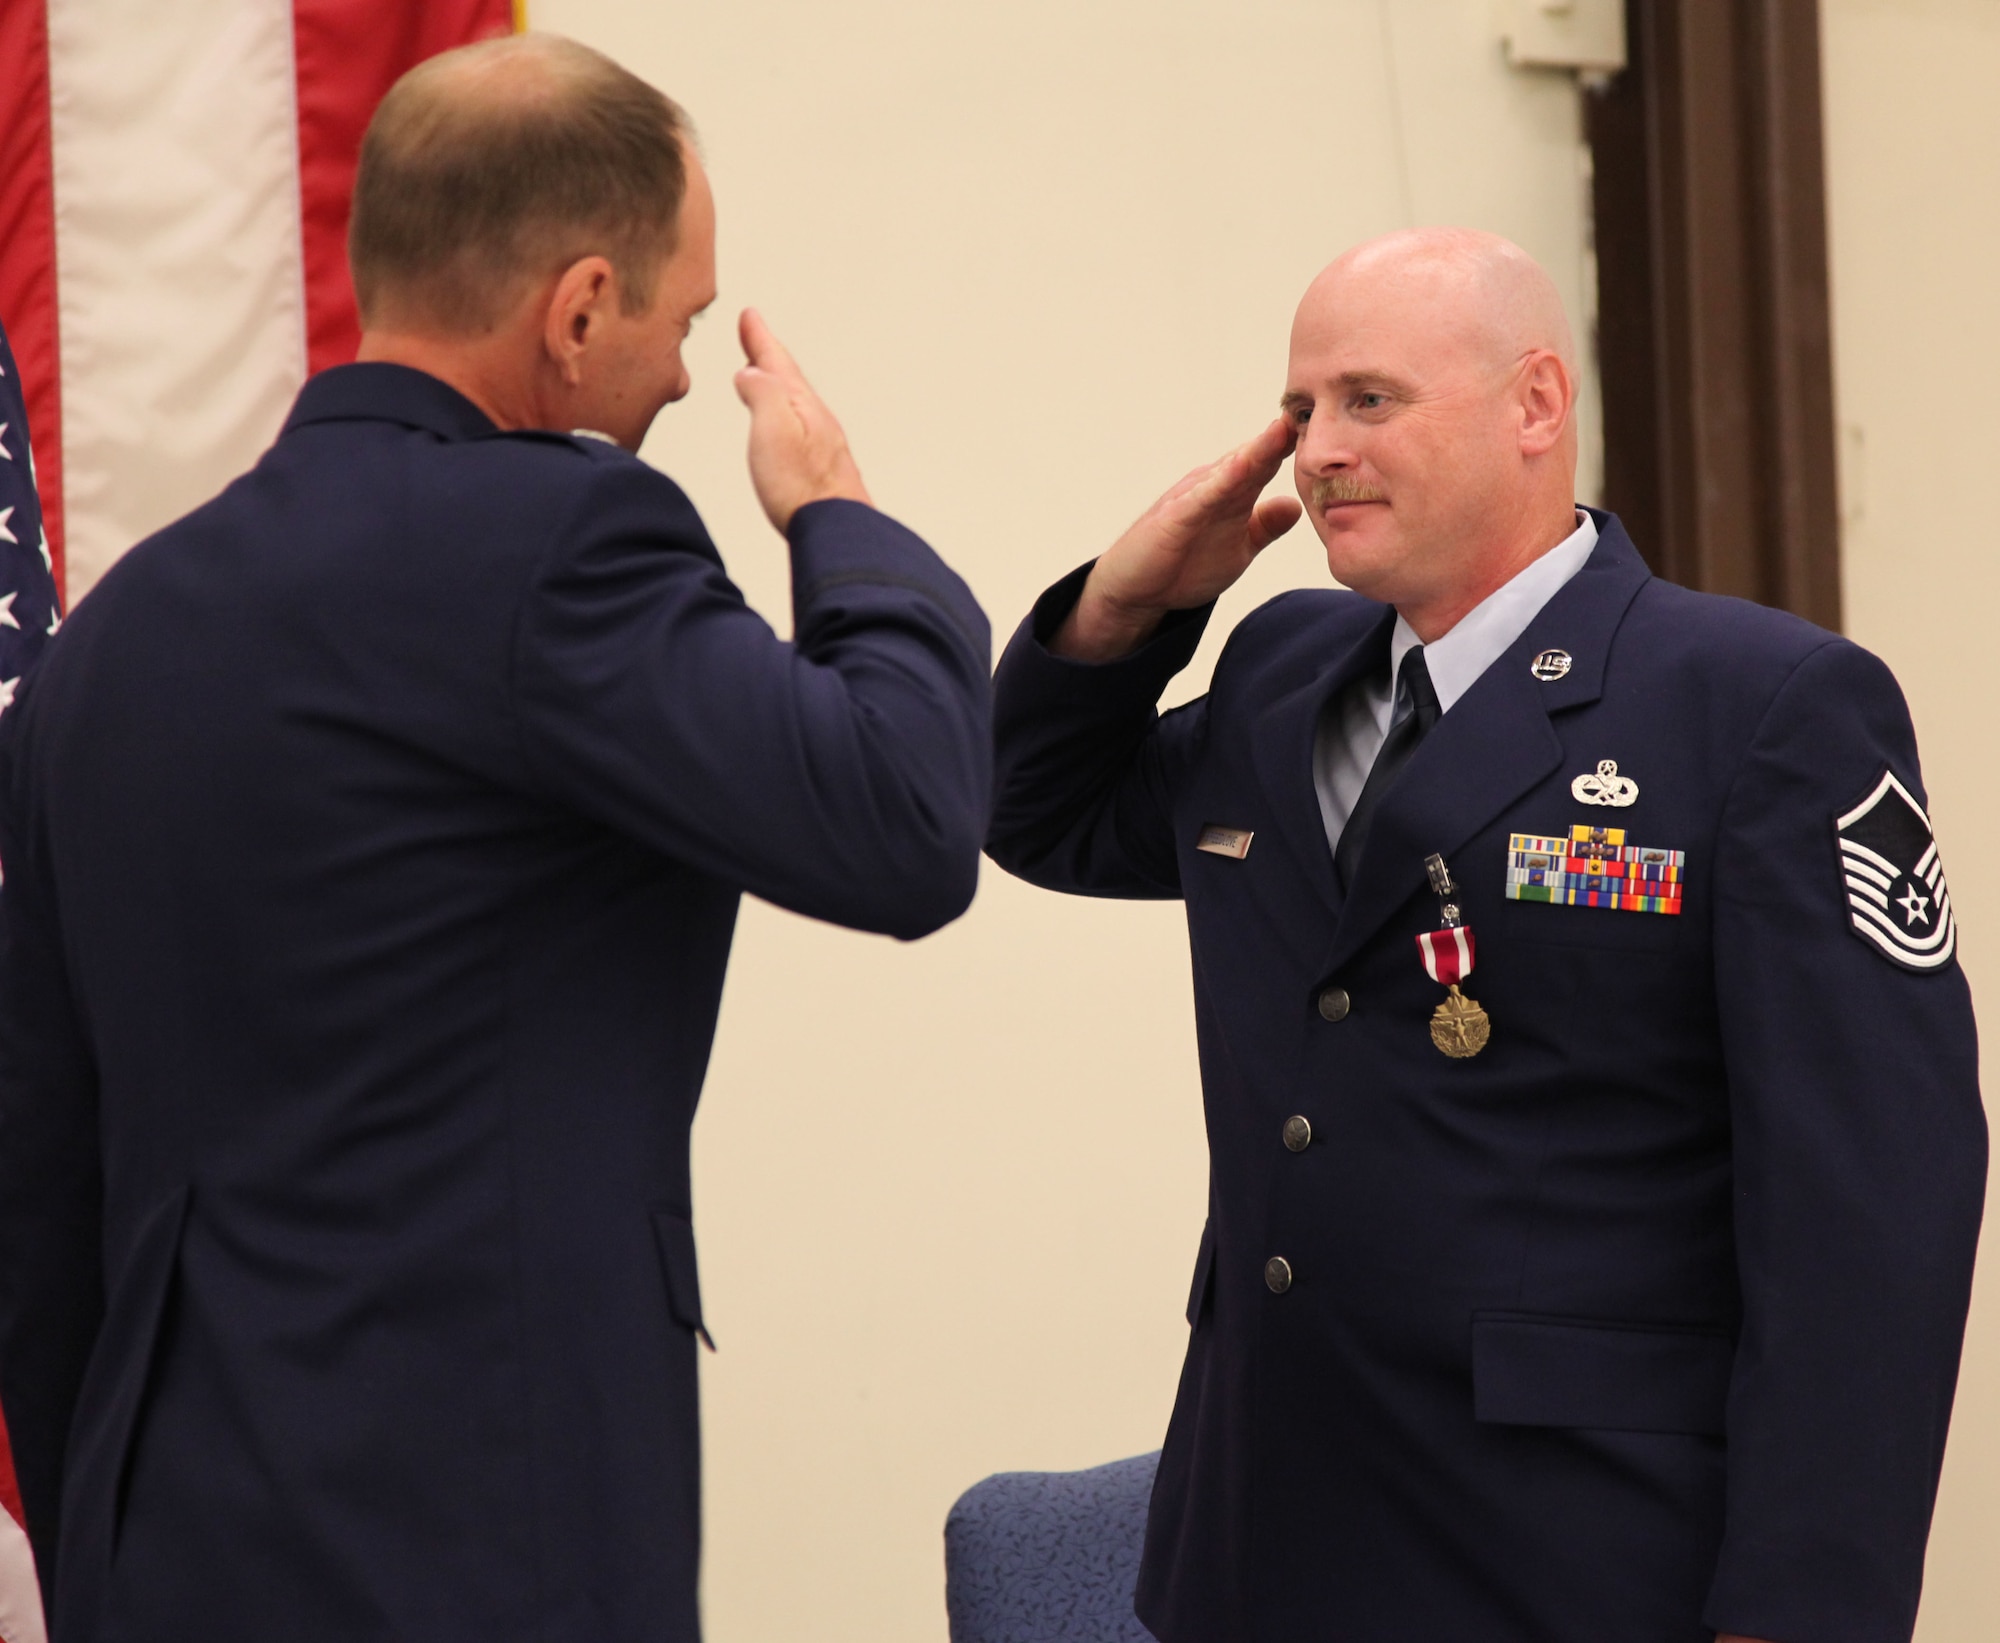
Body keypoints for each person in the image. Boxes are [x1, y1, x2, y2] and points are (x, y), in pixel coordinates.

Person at [0, 34, 990, 1643]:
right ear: (581, 307)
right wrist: (840, 520)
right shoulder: (565, 538)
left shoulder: (110, 644)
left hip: (156, 1547)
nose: (681, 373)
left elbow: (38, 1193)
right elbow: (904, 821)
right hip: (479, 1541)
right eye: (677, 322)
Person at [987, 228, 1984, 1643]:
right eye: (1299, 410)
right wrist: (1128, 607)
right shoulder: (1281, 672)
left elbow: (1875, 1208)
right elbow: (1036, 814)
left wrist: (1802, 1608)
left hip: (1567, 1559)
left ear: (1534, 405)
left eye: (1368, 400)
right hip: (1259, 1546)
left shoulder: (1759, 706)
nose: (1317, 449)